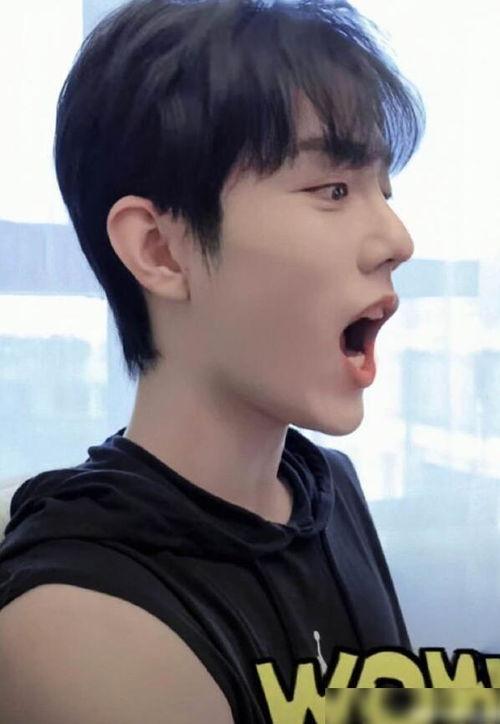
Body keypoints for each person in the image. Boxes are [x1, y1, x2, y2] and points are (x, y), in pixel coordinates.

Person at [0, 0, 426, 721]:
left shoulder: (328, 487)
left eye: (382, 190)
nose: (397, 239)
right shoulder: (78, 625)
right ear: (160, 250)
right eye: (333, 189)